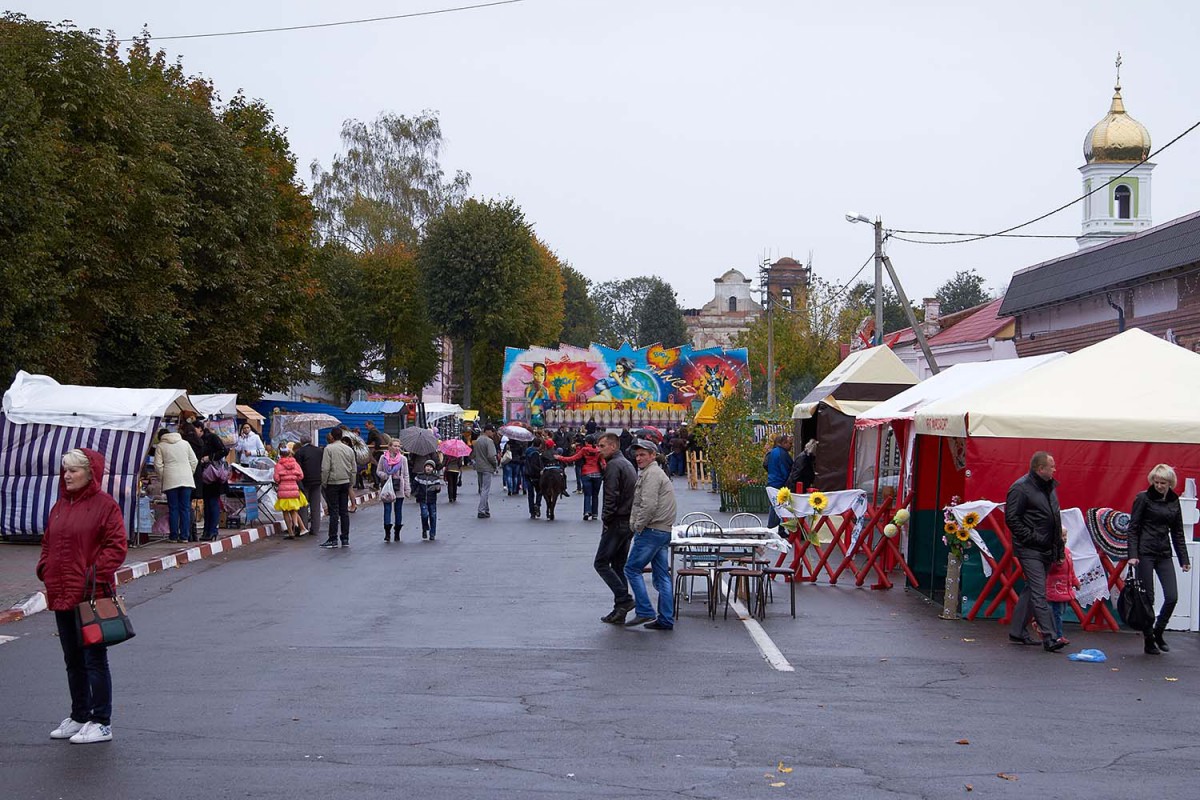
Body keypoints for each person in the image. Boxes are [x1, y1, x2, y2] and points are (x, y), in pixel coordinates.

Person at [39, 448, 128, 744]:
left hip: (90, 595)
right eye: (65, 470)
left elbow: (117, 547)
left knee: (94, 659)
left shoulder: (105, 506)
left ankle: (101, 721)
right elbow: (48, 542)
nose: (67, 475)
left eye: (74, 470)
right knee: (72, 659)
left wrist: (91, 575)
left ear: (90, 474)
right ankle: (79, 715)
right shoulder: (60, 506)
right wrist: (44, 567)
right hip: (61, 591)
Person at [1006, 451, 1067, 652]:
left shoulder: (1049, 487)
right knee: (1039, 591)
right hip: (1030, 548)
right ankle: (1050, 637)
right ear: (1040, 469)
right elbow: (1012, 519)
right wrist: (1032, 537)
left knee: (1032, 589)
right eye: (1052, 467)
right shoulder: (1020, 488)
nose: (1055, 470)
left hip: (1047, 547)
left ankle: (1017, 631)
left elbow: (1055, 519)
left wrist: (1058, 550)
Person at [1129, 464, 1192, 654]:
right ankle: (1148, 638)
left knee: (1172, 596)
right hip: (1145, 553)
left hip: (1164, 552)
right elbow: (1133, 528)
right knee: (1148, 598)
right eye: (1156, 482)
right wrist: (1133, 555)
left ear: (1170, 483)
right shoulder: (1143, 498)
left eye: (1163, 483)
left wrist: (1184, 559)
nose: (1159, 486)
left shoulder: (1174, 501)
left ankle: (1159, 631)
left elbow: (1178, 532)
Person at [622, 440, 677, 631]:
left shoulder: (652, 474)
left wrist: (637, 526)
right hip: (663, 529)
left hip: (652, 530)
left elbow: (648, 505)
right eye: (637, 455)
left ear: (653, 455)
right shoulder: (655, 472)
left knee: (631, 569)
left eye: (642, 455)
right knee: (662, 576)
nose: (638, 458)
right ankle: (666, 619)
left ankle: (644, 609)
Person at [595, 433, 638, 624]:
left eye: (602, 446)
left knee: (601, 563)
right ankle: (620, 609)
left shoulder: (613, 465)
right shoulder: (626, 463)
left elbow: (610, 496)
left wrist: (606, 519)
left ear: (613, 446)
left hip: (617, 521)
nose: (599, 449)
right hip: (627, 520)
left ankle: (624, 599)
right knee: (618, 565)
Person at [155, 426, 198, 543]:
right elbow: (194, 461)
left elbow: (158, 465)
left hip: (171, 481)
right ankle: (184, 536)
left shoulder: (160, 446)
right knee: (185, 508)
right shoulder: (185, 443)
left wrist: (165, 475)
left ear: (160, 437)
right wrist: (189, 472)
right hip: (187, 480)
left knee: (173, 509)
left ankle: (173, 536)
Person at [319, 427, 356, 549]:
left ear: (332, 436)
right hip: (345, 482)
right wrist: (351, 482)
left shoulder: (328, 449)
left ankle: (333, 538)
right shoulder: (349, 449)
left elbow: (325, 468)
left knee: (334, 511)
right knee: (344, 511)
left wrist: (324, 482)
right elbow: (353, 468)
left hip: (332, 483)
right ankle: (345, 538)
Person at [1045, 528, 1081, 644]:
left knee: (1061, 611)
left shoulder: (1067, 552)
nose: (1064, 538)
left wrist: (1075, 582)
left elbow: (1071, 570)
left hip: (1065, 588)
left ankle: (1055, 633)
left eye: (1065, 536)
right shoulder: (1052, 552)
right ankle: (1057, 636)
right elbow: (1050, 570)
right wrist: (1055, 561)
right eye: (1062, 536)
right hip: (1056, 588)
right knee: (1057, 614)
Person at [557, 435, 605, 521]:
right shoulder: (598, 450)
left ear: (586, 442)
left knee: (587, 494)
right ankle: (595, 513)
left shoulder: (584, 450)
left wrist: (560, 458)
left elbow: (573, 458)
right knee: (595, 495)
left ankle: (587, 511)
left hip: (586, 473)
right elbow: (603, 463)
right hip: (597, 474)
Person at [197, 419, 229, 541]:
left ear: (200, 428)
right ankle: (206, 530)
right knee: (207, 504)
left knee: (213, 503)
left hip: (215, 477)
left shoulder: (212, 438)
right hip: (204, 477)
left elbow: (224, 451)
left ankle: (212, 531)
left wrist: (209, 458)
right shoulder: (198, 440)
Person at [377, 440, 411, 543]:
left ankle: (397, 533)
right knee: (387, 509)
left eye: (398, 446)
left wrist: (407, 489)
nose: (397, 448)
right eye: (395, 446)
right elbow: (378, 471)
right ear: (390, 447)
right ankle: (387, 533)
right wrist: (385, 475)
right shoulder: (383, 458)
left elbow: (406, 475)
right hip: (387, 487)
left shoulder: (403, 459)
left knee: (398, 510)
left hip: (398, 487)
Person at [272, 442, 308, 539]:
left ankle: (291, 532)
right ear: (289, 453)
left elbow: (276, 478)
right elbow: (301, 475)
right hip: (294, 489)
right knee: (294, 510)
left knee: (285, 512)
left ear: (280, 454)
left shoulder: (278, 465)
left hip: (283, 490)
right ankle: (296, 524)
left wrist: (282, 479)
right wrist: (293, 478)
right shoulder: (295, 464)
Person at [293, 435, 324, 537]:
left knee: (303, 505)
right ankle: (315, 529)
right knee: (315, 505)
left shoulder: (299, 452)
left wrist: (299, 483)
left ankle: (304, 527)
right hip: (317, 481)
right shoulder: (319, 451)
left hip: (304, 482)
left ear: (301, 442)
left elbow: (297, 469)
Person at [764, 434, 794, 530]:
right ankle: (774, 529)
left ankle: (777, 529)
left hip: (772, 481)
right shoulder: (783, 454)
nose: (791, 445)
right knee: (778, 508)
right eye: (790, 443)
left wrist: (771, 472)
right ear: (784, 443)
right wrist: (788, 483)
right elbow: (785, 470)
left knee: (775, 507)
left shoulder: (772, 452)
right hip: (779, 483)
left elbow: (765, 464)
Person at [472, 424, 499, 519]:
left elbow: (473, 454)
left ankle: (486, 509)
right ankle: (481, 510)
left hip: (479, 467)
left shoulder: (477, 441)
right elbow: (491, 456)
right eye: (492, 431)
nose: (493, 433)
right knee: (485, 489)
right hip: (487, 468)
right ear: (487, 431)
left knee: (481, 489)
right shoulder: (489, 441)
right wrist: (495, 465)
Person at [412, 460, 443, 541]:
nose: (428, 468)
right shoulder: (419, 476)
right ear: (424, 467)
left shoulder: (435, 478)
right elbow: (414, 486)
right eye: (427, 466)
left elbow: (438, 488)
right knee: (424, 514)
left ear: (433, 469)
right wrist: (414, 493)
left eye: (430, 467)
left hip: (432, 500)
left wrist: (437, 489)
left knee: (433, 516)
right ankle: (425, 528)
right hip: (422, 499)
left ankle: (432, 533)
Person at [523, 439, 544, 519]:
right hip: (535, 475)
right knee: (539, 491)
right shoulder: (536, 453)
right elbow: (534, 465)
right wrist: (540, 470)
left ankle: (532, 511)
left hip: (527, 473)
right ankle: (537, 505)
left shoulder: (528, 451)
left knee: (530, 494)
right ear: (539, 445)